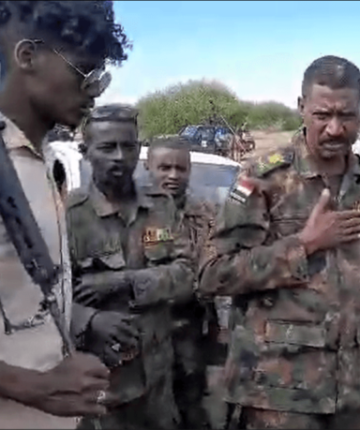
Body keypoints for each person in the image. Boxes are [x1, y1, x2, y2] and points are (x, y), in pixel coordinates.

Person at [197, 55, 360, 429]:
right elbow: (213, 274)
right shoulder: (260, 180)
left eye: (347, 116)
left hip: (355, 395)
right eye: (323, 115)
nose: (334, 129)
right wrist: (304, 245)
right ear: (301, 107)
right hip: (280, 398)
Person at [0, 2, 129, 428]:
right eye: (85, 72)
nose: (96, 91)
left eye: (101, 77)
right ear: (28, 57)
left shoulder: (48, 161)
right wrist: (32, 387)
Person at [67, 104, 194, 429]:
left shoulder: (161, 206)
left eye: (128, 147)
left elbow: (186, 276)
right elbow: (44, 297)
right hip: (100, 390)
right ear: (86, 152)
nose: (120, 157)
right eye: (107, 147)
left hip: (158, 385)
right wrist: (89, 319)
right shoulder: (69, 214)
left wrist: (123, 281)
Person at [144, 136, 218, 429]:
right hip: (143, 334)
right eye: (164, 168)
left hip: (192, 332)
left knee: (192, 409)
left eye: (181, 168)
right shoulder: (134, 212)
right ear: (148, 167)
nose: (173, 175)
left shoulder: (208, 214)